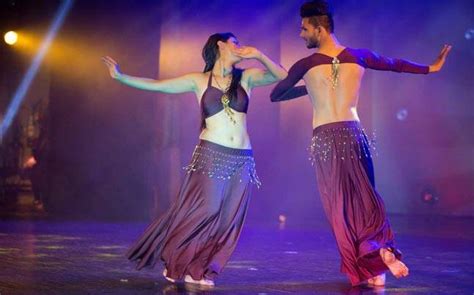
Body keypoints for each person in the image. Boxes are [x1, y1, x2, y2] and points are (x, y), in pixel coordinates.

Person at [270, 0, 451, 287]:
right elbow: (396, 65)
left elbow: (276, 95)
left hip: (325, 139)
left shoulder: (305, 64)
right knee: (366, 199)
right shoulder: (359, 56)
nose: (301, 34)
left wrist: (312, 87)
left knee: (339, 208)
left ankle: (364, 268)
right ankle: (379, 261)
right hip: (354, 133)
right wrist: (432, 68)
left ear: (319, 27)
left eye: (304, 28)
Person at [102, 32, 287, 287]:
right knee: (207, 209)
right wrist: (122, 77)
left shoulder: (247, 78)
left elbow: (282, 76)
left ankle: (201, 269)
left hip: (242, 159)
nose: (240, 46)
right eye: (235, 42)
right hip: (211, 154)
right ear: (220, 45)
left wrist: (259, 56)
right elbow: (159, 85)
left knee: (227, 219)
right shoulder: (199, 81)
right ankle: (177, 260)